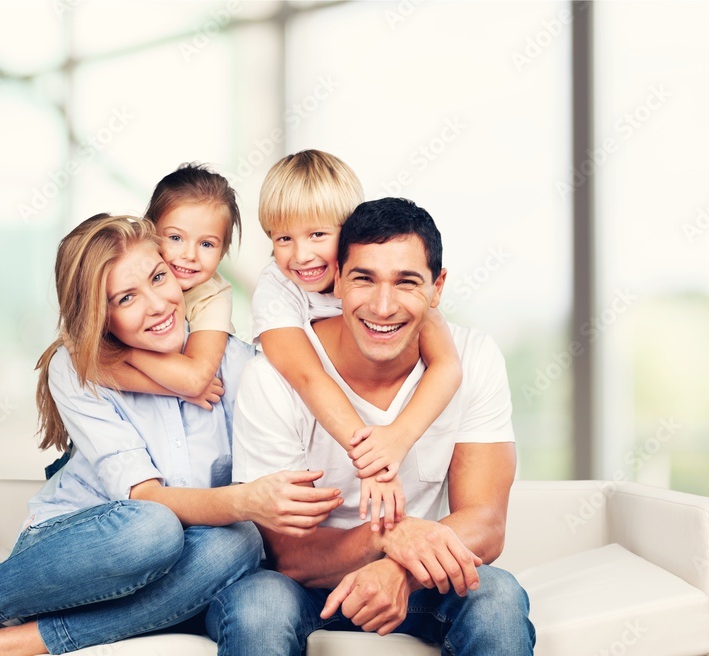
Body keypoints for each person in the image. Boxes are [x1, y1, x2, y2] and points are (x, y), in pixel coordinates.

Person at [0, 214, 342, 656]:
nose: (157, 305)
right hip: (88, 553)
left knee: (248, 563)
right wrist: (245, 501)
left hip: (202, 567)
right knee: (154, 526)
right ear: (99, 316)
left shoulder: (239, 364)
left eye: (159, 277)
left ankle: (11, 646)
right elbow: (149, 499)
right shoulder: (78, 368)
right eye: (126, 298)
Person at [207, 198, 536, 655]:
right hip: (303, 586)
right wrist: (386, 535)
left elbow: (486, 522)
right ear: (337, 278)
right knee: (258, 605)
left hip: (417, 577)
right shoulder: (271, 376)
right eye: (364, 278)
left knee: (496, 595)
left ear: (437, 288)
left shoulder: (474, 358)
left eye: (407, 282)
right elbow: (288, 555)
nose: (383, 306)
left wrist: (398, 568)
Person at [252, 150, 463, 531]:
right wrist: (372, 463)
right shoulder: (277, 289)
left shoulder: (389, 284)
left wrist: (397, 439)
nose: (301, 255)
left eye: (317, 234)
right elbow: (307, 377)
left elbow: (447, 366)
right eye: (283, 238)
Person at [82, 163, 242, 410]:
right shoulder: (120, 274)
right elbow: (88, 365)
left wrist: (121, 351)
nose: (190, 255)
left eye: (207, 244)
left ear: (222, 253)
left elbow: (195, 380)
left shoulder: (214, 296)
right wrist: (176, 391)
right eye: (176, 238)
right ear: (150, 232)